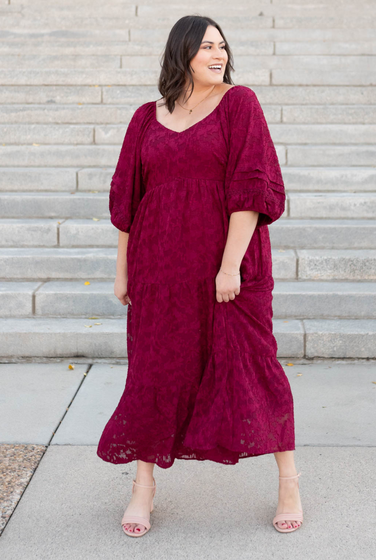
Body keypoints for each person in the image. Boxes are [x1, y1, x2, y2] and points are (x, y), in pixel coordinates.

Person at [97, 14, 303, 537]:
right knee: (154, 371)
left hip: (227, 267)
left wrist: (230, 264)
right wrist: (122, 271)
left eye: (222, 45)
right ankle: (143, 487)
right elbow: (128, 200)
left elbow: (252, 187)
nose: (218, 53)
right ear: (181, 53)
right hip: (158, 268)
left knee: (253, 365)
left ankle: (289, 481)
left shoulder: (240, 104)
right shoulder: (146, 118)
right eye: (206, 45)